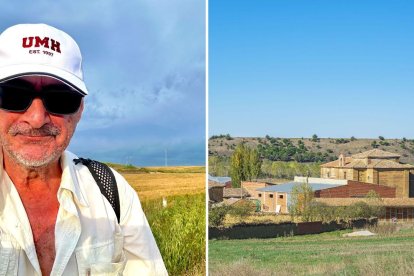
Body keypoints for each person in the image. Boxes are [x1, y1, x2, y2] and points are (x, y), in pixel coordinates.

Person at [0, 23, 168, 275]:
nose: (37, 118)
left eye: (60, 99)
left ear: (79, 111)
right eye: (13, 95)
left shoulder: (114, 193)